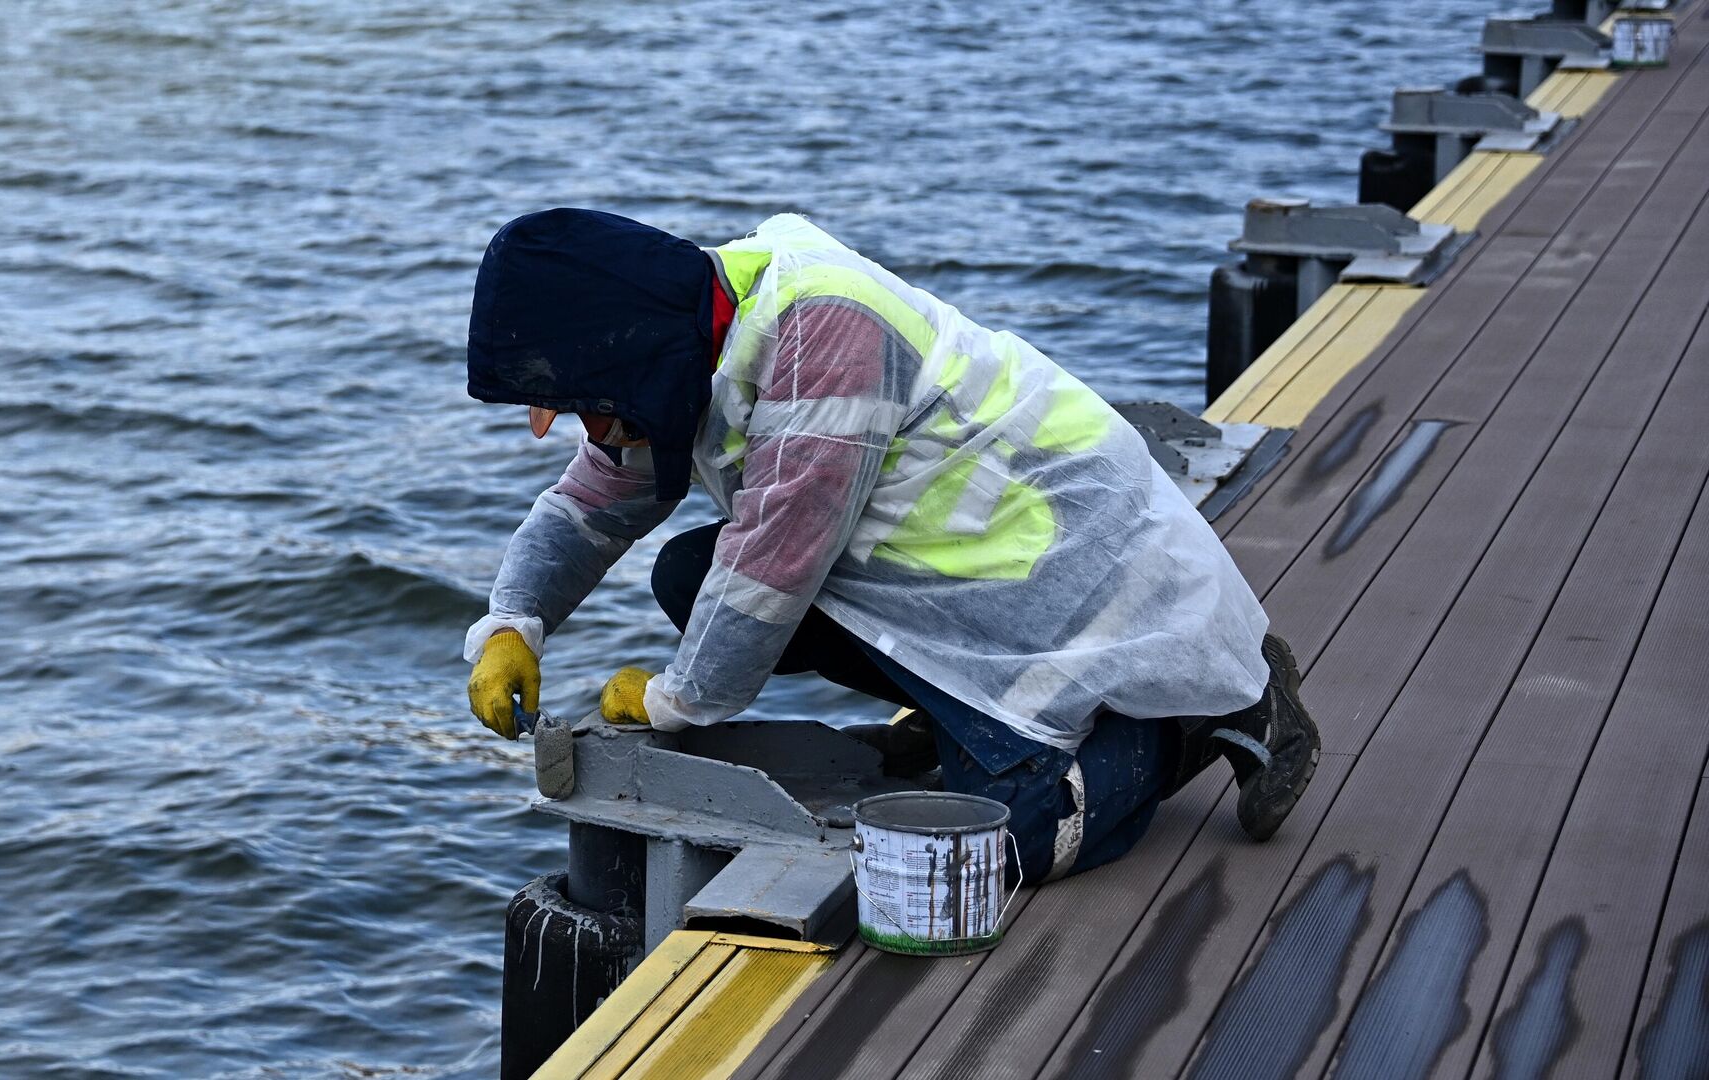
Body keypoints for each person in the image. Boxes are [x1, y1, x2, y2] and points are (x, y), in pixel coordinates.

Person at [462, 207, 1319, 882]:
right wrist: (513, 620)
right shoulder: (696, 334)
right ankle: (954, 709)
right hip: (968, 574)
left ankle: (1202, 712)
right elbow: (597, 497)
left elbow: (773, 561)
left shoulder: (823, 335)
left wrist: (673, 702)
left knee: (1006, 845)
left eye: (575, 401)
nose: (574, 428)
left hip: (1077, 585)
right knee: (692, 576)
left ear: (625, 351)